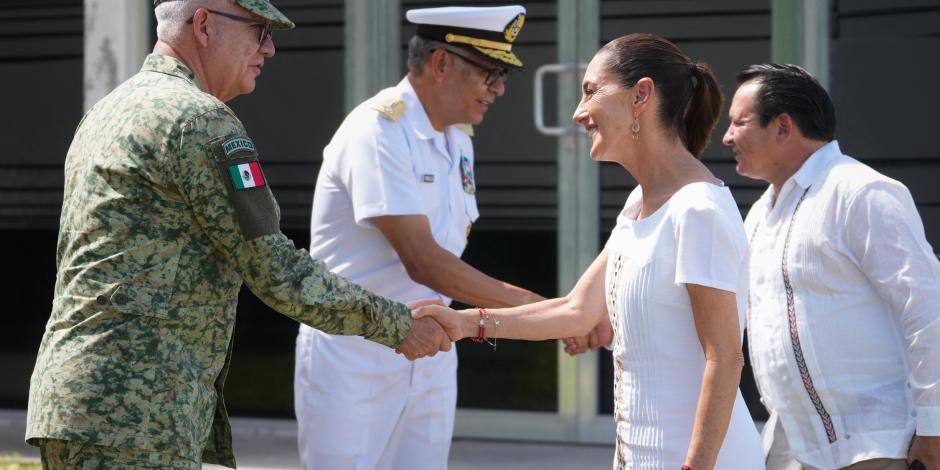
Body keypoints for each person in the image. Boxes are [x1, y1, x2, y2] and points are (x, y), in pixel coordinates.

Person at [24, 1, 450, 468]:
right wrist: (397, 325)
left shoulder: (109, 110)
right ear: (203, 24)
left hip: (80, 401)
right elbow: (275, 269)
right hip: (136, 415)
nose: (268, 49)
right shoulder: (199, 121)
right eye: (258, 30)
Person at [415, 33, 764, 470]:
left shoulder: (698, 209)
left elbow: (725, 356)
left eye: (590, 91)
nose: (578, 114)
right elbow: (578, 311)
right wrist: (463, 323)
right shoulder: (638, 203)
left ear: (641, 95)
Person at [292, 5, 550, 469]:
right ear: (441, 63)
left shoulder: (458, 138)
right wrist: (543, 312)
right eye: (489, 72)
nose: (499, 88)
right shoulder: (378, 130)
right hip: (357, 354)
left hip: (431, 350)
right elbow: (424, 261)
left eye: (501, 75)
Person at [723, 64, 940, 470]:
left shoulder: (861, 192)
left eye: (740, 123)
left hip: (877, 446)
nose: (728, 137)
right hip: (792, 447)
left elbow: (927, 310)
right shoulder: (759, 215)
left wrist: (934, 426)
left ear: (783, 127)